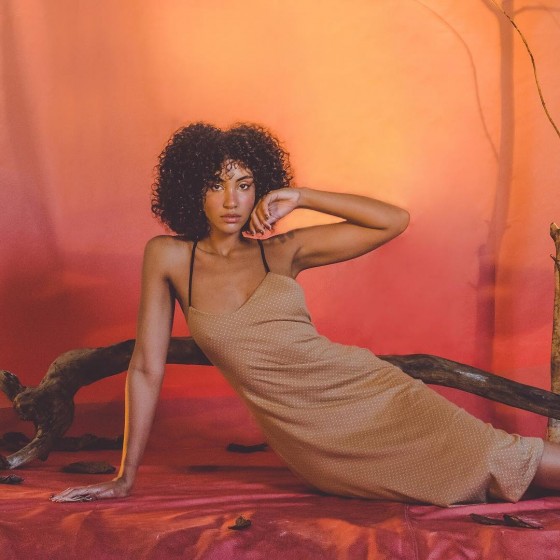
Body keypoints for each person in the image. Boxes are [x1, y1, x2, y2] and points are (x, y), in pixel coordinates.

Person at [52, 122, 560, 506]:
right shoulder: (168, 256)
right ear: (191, 190)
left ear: (261, 188)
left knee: (513, 459)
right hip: (316, 444)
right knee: (503, 472)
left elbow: (393, 220)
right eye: (216, 184)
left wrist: (303, 198)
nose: (231, 200)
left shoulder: (282, 251)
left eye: (244, 184)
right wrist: (126, 475)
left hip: (375, 396)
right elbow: (146, 368)